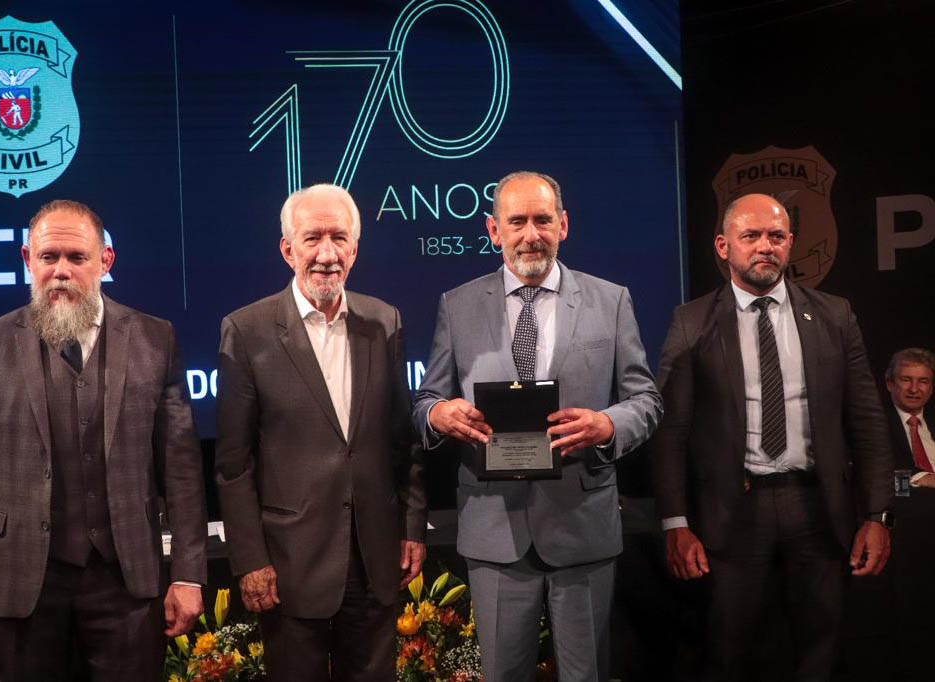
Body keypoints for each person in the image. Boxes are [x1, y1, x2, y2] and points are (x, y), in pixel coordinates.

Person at [0, 199, 207, 680]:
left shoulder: (155, 338)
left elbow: (181, 471)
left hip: (126, 583)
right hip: (17, 584)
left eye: (77, 258)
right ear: (27, 260)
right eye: (48, 257)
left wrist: (187, 574)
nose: (61, 271)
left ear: (105, 260)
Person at [412, 171, 662, 682]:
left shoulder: (610, 299)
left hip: (582, 524)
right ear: (493, 231)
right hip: (493, 529)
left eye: (543, 220)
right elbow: (426, 400)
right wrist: (439, 414)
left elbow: (646, 399)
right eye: (517, 222)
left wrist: (607, 424)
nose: (531, 234)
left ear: (563, 225)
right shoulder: (457, 305)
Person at [653, 193, 894, 681]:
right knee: (727, 653)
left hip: (819, 508)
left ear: (790, 243)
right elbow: (670, 431)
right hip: (732, 511)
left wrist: (877, 514)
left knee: (821, 651)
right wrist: (675, 521)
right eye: (751, 236)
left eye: (776, 236)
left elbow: (867, 420)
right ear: (723, 246)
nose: (765, 246)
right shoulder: (691, 322)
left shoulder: (835, 315)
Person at [215, 183, 427, 682]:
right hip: (289, 565)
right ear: (288, 249)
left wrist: (412, 527)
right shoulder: (246, 330)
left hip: (375, 559)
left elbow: (403, 438)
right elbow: (233, 465)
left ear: (355, 249)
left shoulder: (385, 321)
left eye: (339, 238)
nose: (327, 254)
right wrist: (250, 559)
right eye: (312, 238)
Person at [884, 348, 935, 488]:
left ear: (931, 388)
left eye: (923, 381)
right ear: (890, 383)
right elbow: (874, 475)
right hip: (906, 498)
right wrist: (921, 478)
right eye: (906, 380)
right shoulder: (874, 424)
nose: (914, 389)